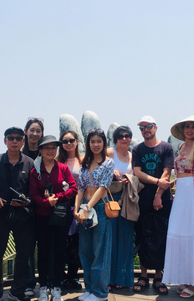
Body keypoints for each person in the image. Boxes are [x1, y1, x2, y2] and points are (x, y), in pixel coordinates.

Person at [162, 116, 194, 297]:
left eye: (193, 127)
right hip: (181, 194)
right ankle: (184, 277)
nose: (189, 130)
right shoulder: (182, 147)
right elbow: (183, 173)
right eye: (187, 127)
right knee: (177, 234)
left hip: (192, 194)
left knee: (191, 235)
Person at [0, 127, 35, 301]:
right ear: (5, 140)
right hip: (0, 214)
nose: (14, 141)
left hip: (23, 215)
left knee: (23, 255)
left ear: (23, 141)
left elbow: (34, 189)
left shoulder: (30, 163)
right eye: (11, 138)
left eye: (18, 138)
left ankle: (17, 292)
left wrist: (27, 200)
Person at [30, 135, 78, 301]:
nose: (50, 151)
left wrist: (56, 197)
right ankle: (43, 286)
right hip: (42, 216)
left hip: (60, 216)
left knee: (59, 252)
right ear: (41, 150)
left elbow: (74, 188)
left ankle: (56, 287)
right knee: (43, 252)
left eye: (53, 148)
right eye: (47, 148)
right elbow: (33, 194)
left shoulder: (63, 168)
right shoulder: (35, 171)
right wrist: (45, 202)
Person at [132, 116, 174, 295]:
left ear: (155, 128)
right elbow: (137, 172)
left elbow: (167, 172)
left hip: (163, 200)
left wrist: (158, 195)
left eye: (148, 127)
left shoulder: (166, 148)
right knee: (142, 236)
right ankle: (143, 275)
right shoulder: (137, 149)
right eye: (142, 128)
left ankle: (158, 276)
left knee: (160, 237)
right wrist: (157, 182)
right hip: (143, 199)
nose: (145, 130)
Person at [74, 129, 114, 301]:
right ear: (88, 143)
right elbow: (80, 188)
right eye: (92, 141)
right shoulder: (85, 162)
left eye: (99, 141)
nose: (96, 144)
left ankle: (100, 292)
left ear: (104, 143)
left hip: (98, 208)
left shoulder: (108, 163)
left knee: (100, 250)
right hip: (84, 209)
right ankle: (90, 288)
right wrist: (77, 210)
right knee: (85, 251)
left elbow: (103, 188)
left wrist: (87, 208)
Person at [105, 126, 135, 290]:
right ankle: (107, 279)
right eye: (121, 136)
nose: (124, 139)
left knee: (125, 238)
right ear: (116, 138)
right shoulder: (110, 152)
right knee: (110, 238)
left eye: (127, 136)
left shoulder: (132, 155)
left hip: (127, 199)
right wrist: (113, 172)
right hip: (112, 198)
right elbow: (99, 170)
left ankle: (121, 278)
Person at [56, 130, 83, 291]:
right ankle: (62, 275)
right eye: (65, 141)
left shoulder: (83, 160)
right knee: (61, 243)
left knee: (77, 244)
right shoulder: (58, 161)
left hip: (79, 206)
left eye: (71, 140)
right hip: (62, 206)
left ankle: (73, 276)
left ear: (77, 141)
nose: (69, 144)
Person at [22, 117, 45, 297]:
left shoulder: (46, 153)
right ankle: (29, 283)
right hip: (25, 209)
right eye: (32, 130)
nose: (35, 134)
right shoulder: (19, 155)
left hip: (44, 208)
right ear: (26, 131)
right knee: (27, 248)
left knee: (45, 246)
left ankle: (47, 281)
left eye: (38, 131)